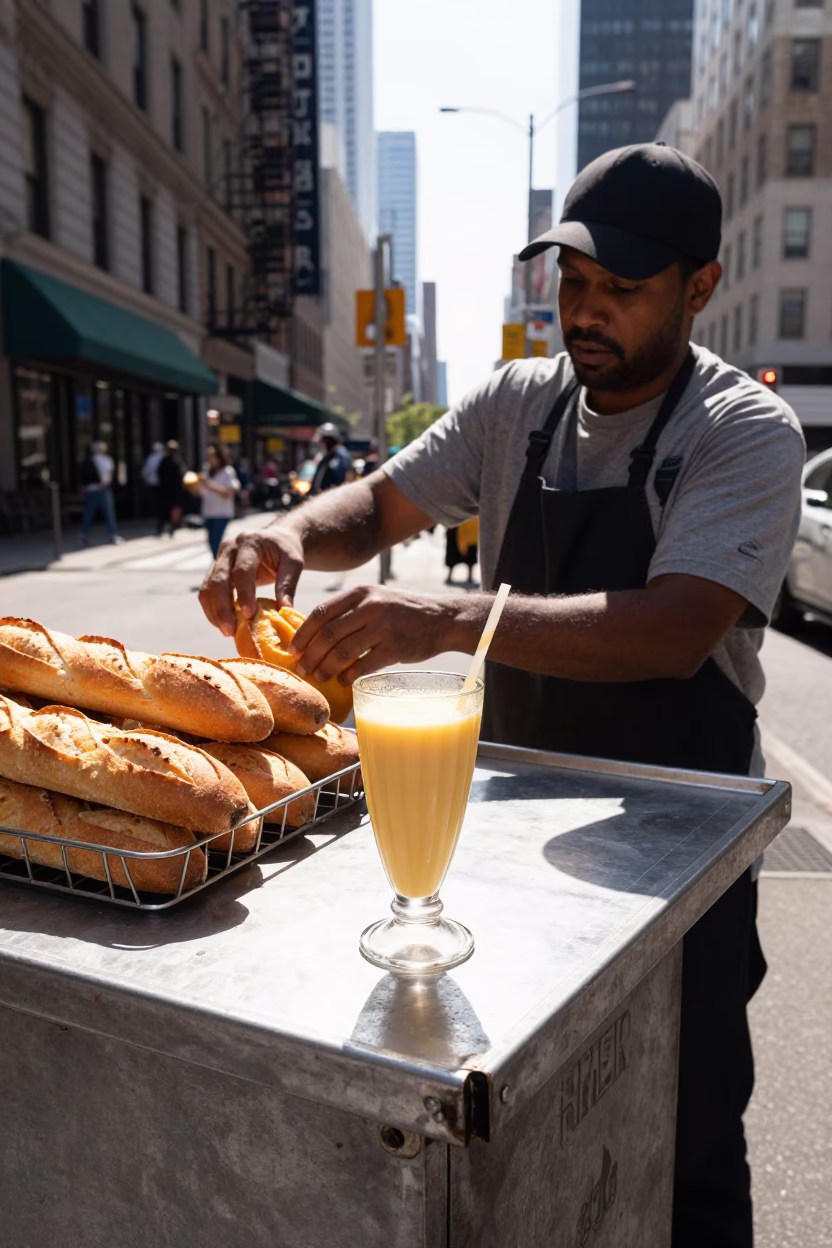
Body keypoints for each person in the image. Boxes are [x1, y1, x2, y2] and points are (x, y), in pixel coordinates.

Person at [199, 144, 805, 1248]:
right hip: (514, 848)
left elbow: (676, 630)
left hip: (680, 846)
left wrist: (448, 622)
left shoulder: (740, 430)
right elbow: (378, 506)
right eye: (572, 283)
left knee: (688, 1146)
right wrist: (285, 534)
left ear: (699, 288)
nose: (587, 311)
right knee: (525, 1136)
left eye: (622, 289)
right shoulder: (517, 405)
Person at [197, 442, 239, 558]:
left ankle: (220, 566)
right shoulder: (207, 471)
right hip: (208, 512)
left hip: (222, 513)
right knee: (211, 542)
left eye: (212, 456)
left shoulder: (228, 471)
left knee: (216, 542)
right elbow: (203, 493)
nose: (209, 459)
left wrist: (209, 484)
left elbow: (228, 493)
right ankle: (219, 565)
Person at [80, 441, 123, 545]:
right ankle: (84, 534)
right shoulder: (89, 461)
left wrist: (105, 484)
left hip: (102, 489)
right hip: (93, 490)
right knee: (90, 513)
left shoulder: (106, 460)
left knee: (107, 512)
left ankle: (112, 534)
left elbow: (108, 475)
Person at [310, 423, 352, 494]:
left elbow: (343, 478)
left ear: (328, 440)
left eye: (322, 440)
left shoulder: (341, 455)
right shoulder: (327, 455)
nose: (321, 444)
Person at [157, 440, 185, 537]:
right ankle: (161, 528)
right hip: (166, 490)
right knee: (164, 510)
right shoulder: (165, 461)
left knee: (174, 510)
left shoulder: (177, 461)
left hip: (174, 490)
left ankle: (172, 528)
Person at [445, 517, 479, 585]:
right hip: (457, 526)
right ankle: (450, 575)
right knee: (453, 555)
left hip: (470, 526)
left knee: (470, 556)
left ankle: (470, 575)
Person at [141, 441, 165, 533]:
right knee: (160, 504)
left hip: (153, 485)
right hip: (160, 485)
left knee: (156, 504)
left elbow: (145, 472)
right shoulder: (162, 458)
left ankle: (156, 518)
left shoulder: (151, 459)